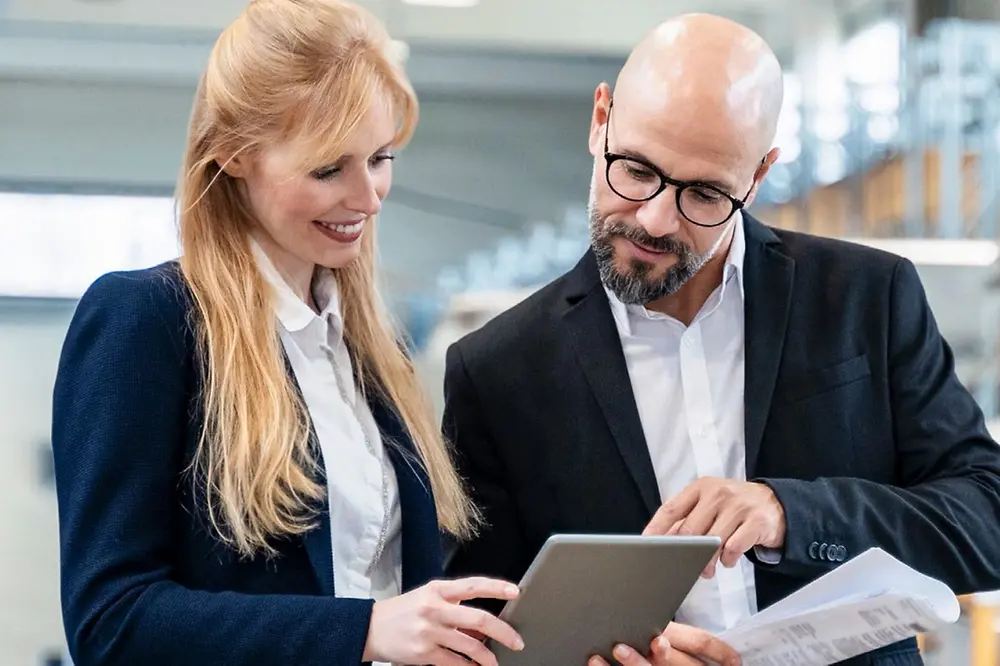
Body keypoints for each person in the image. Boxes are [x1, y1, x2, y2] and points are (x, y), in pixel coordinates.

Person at [442, 12, 1000, 666]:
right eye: (636, 169)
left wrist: (788, 514)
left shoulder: (865, 298)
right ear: (600, 120)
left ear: (758, 176)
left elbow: (986, 519)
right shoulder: (499, 371)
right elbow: (479, 627)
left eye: (703, 194)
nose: (654, 218)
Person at [50, 1, 525, 665]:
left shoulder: (370, 352)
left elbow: (402, 593)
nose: (368, 197)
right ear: (233, 156)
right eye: (329, 168)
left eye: (381, 157)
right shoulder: (146, 321)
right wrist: (361, 631)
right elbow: (111, 621)